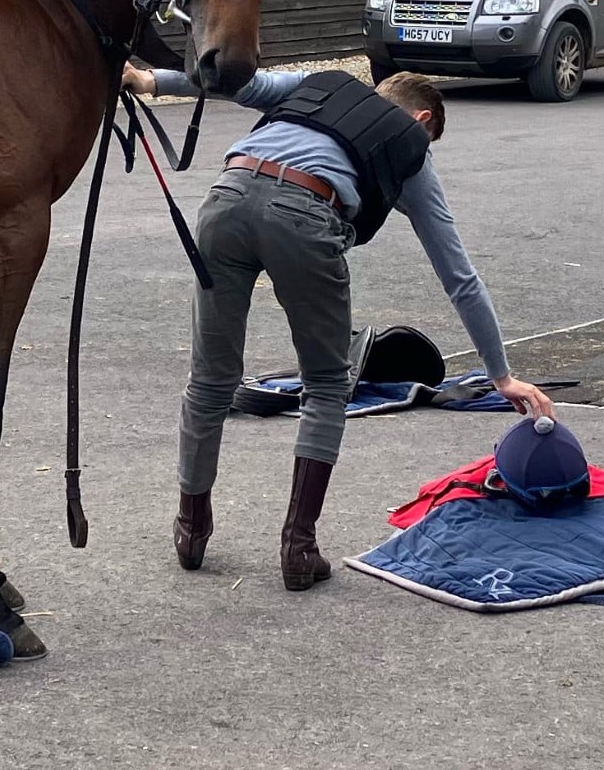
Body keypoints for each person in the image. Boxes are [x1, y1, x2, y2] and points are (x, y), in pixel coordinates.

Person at [120, 62, 555, 591]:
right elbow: (459, 276)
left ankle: (191, 531)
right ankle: (298, 548)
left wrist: (149, 81)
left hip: (226, 200)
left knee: (210, 380)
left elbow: (237, 79)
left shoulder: (317, 85)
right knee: (327, 383)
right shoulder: (408, 146)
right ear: (421, 120)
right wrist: (501, 374)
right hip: (305, 214)